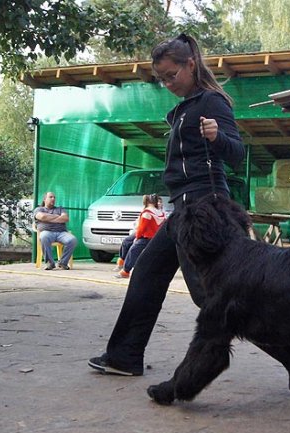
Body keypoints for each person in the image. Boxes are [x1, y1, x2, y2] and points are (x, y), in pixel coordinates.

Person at [87, 33, 249, 376]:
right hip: (184, 209)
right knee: (146, 273)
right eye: (161, 79)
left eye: (171, 75)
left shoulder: (212, 102)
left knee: (211, 296)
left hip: (205, 208)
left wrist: (217, 137)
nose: (167, 84)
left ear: (190, 65)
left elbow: (237, 155)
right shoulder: (184, 108)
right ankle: (124, 357)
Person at [114, 194, 166, 279]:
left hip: (146, 237)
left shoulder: (147, 213)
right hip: (156, 238)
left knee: (133, 251)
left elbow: (142, 228)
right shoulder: (161, 213)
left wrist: (137, 238)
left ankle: (125, 271)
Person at [34, 192, 78, 270]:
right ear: (44, 199)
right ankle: (50, 263)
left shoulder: (60, 208)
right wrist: (58, 217)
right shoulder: (39, 209)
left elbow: (65, 218)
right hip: (47, 232)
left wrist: (49, 218)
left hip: (61, 232)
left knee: (73, 240)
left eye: (54, 197)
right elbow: (42, 216)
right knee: (44, 236)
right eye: (50, 197)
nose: (53, 199)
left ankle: (63, 263)